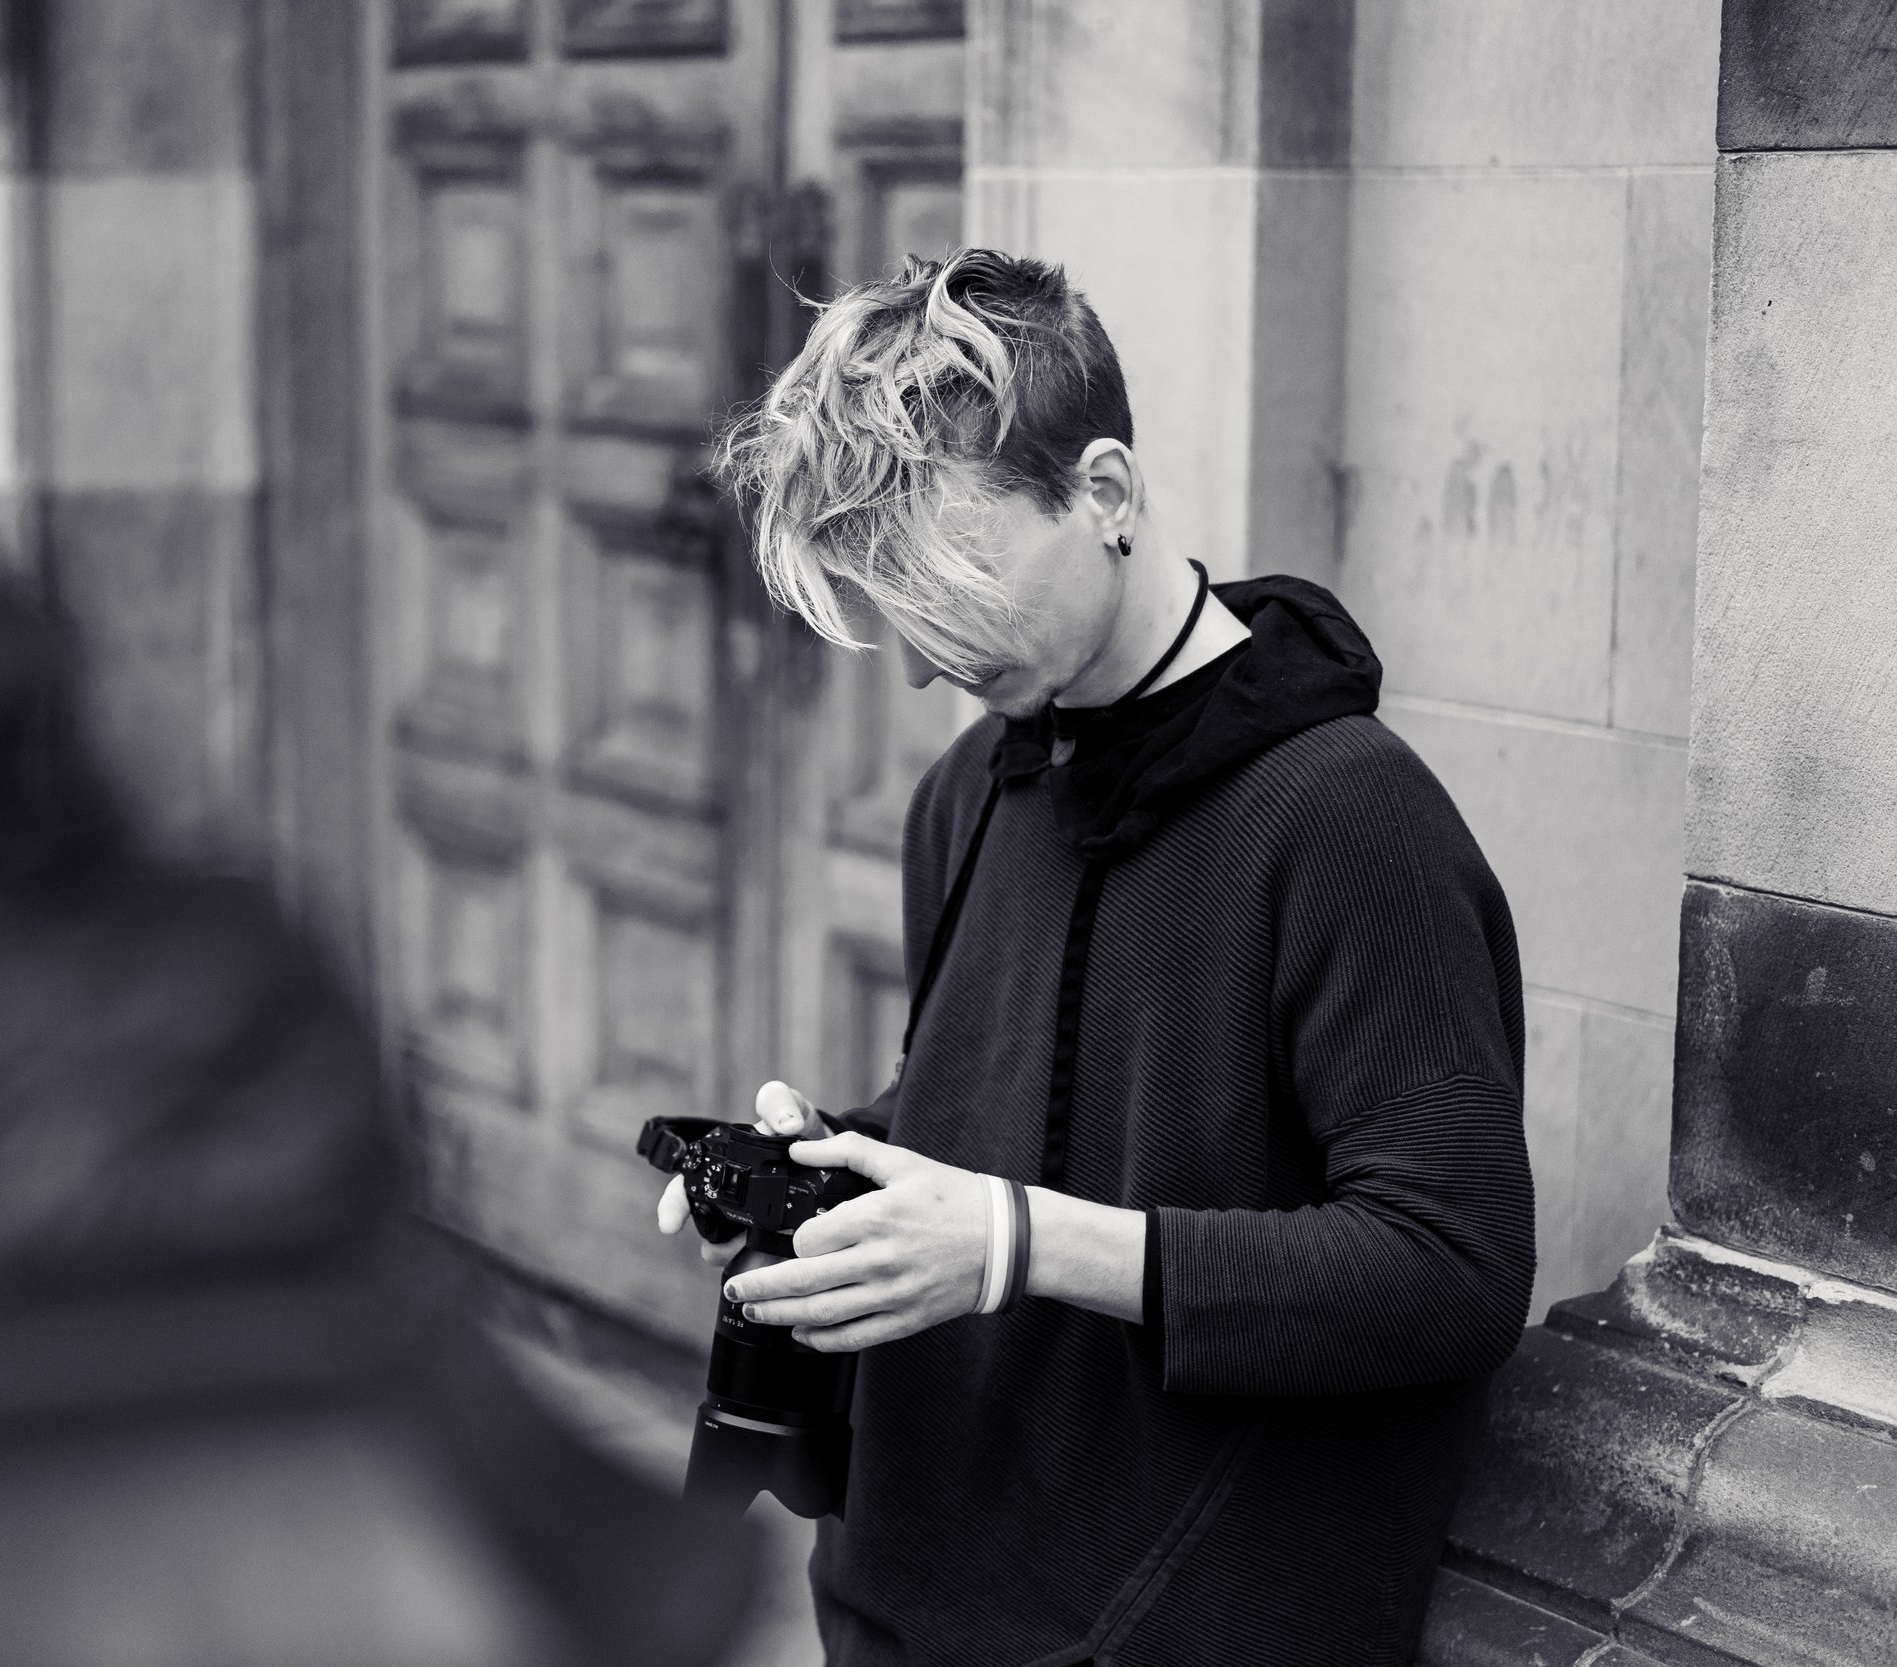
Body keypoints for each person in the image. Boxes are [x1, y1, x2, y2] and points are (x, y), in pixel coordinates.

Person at [655, 249, 1535, 1667]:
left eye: (949, 579)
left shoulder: (1350, 818)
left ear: (1107, 495)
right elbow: (1010, 1118)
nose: (921, 661)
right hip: (903, 1595)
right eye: (890, 603)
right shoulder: (968, 794)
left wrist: (1013, 1244)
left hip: (1176, 1622)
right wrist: (836, 1171)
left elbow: (1452, 1266)